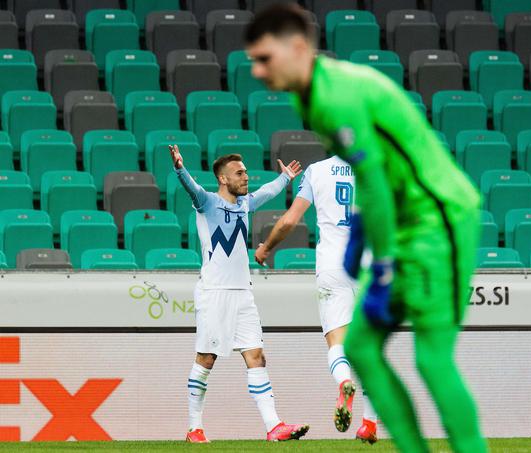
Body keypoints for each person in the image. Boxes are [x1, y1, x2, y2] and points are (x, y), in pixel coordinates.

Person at [244, 5, 488, 453]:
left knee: (432, 359)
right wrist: (358, 249)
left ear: (298, 48)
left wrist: (386, 264)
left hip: (442, 217)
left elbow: (373, 182)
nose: (257, 71)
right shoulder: (309, 97)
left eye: (264, 58)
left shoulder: (336, 99)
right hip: (406, 220)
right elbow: (367, 186)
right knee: (360, 349)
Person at [170, 145, 309, 443]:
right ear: (223, 178)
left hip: (243, 294)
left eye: (245, 172)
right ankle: (194, 428)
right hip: (214, 293)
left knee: (256, 356)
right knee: (206, 359)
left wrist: (285, 178)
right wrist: (180, 168)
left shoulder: (244, 203)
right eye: (239, 173)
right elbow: (191, 188)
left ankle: (274, 427)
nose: (246, 177)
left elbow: (267, 193)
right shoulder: (206, 203)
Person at [254, 155, 379, 443]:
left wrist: (266, 249)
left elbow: (290, 220)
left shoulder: (317, 171)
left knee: (337, 341)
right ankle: (369, 424)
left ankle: (344, 381)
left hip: (333, 265)